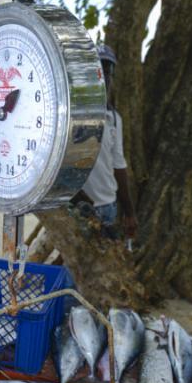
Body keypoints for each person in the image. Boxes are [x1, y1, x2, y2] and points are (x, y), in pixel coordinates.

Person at [75, 44, 137, 241]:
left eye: (108, 72)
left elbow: (119, 165)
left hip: (107, 206)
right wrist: (78, 198)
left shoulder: (114, 119)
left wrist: (129, 212)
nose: (104, 77)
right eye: (98, 71)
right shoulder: (72, 115)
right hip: (78, 207)